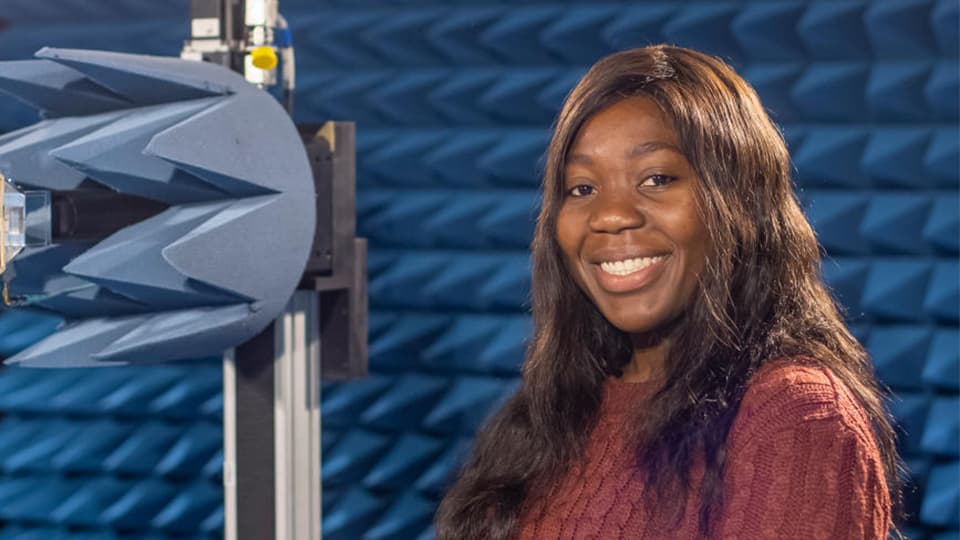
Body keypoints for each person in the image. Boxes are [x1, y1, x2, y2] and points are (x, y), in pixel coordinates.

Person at [434, 45, 903, 539]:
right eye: (582, 188)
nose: (611, 215)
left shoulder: (795, 416)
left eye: (657, 179)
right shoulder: (553, 415)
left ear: (741, 204)